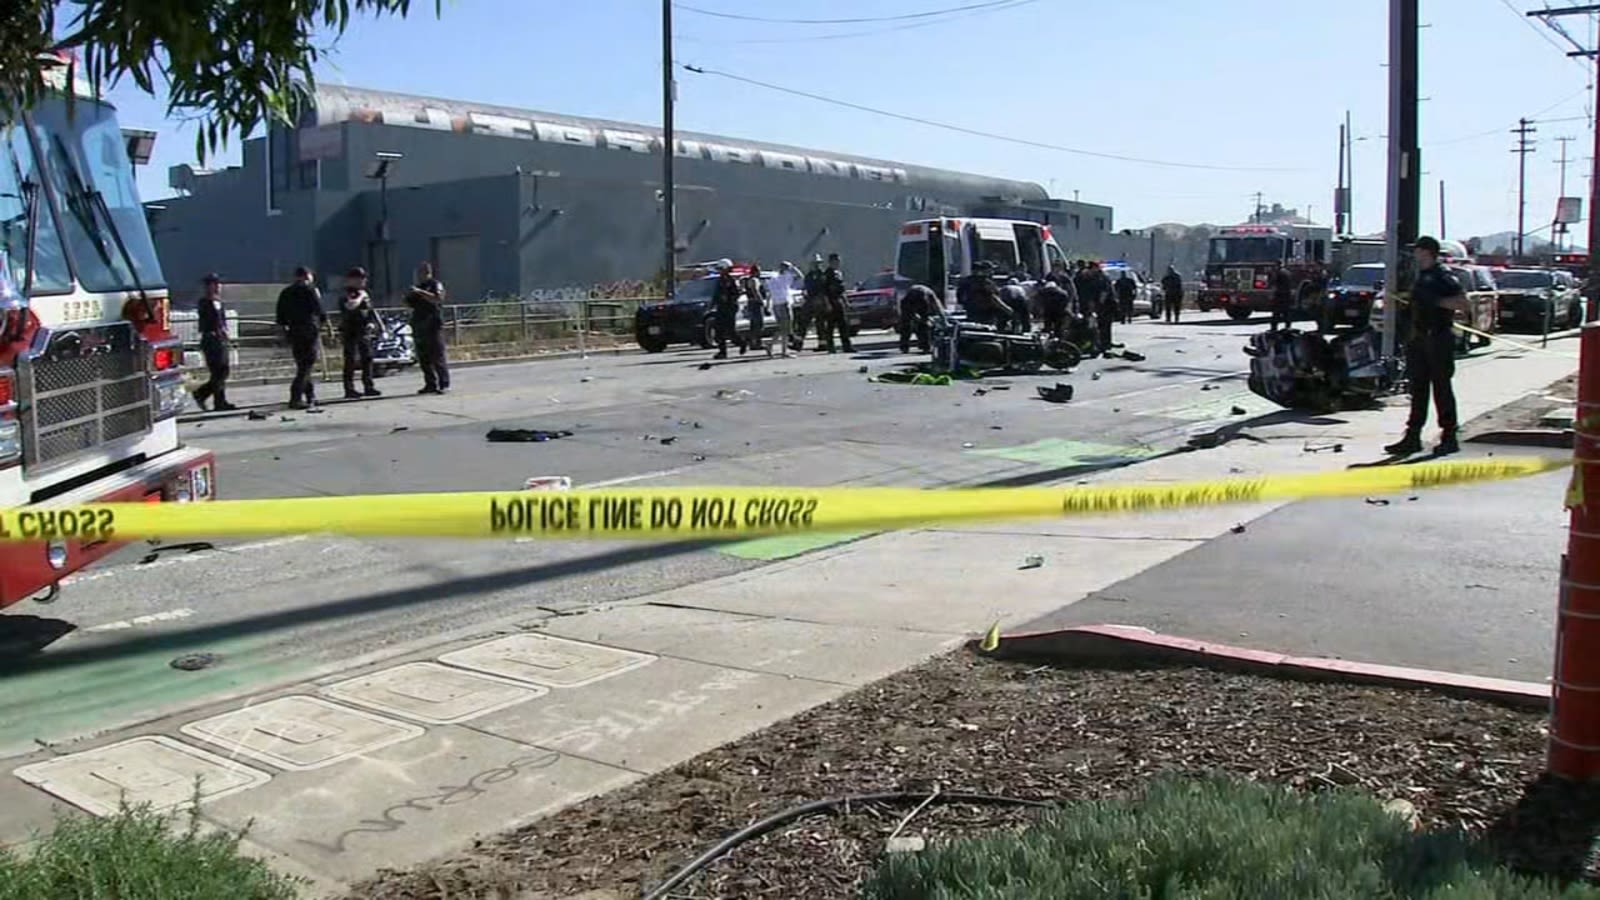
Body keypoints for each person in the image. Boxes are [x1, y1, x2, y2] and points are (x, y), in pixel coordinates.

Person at [1385, 236, 1468, 457]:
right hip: (1419, 338)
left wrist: (1435, 301)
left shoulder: (1443, 276)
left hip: (1439, 338)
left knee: (1441, 388)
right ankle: (1412, 437)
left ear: (1427, 252)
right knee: (1418, 389)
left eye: (1418, 250)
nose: (1415, 255)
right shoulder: (1418, 277)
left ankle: (1449, 435)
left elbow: (1462, 303)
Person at [275, 266, 326, 410]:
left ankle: (310, 396)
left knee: (302, 365)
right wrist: (324, 324)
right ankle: (295, 396)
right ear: (307, 276)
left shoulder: (285, 292)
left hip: (293, 332)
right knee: (307, 366)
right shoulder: (310, 290)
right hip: (309, 330)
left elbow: (280, 316)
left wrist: (283, 332)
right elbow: (319, 310)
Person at [191, 273, 237, 412]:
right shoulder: (205, 302)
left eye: (218, 284)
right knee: (218, 371)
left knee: (223, 370)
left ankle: (217, 399)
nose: (218, 287)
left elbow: (222, 321)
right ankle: (205, 395)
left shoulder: (219, 302)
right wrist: (218, 330)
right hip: (211, 339)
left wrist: (225, 333)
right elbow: (208, 321)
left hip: (220, 339)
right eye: (214, 284)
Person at [338, 266, 381, 400]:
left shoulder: (364, 294)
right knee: (350, 360)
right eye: (359, 279)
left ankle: (369, 386)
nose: (362, 281)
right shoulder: (347, 294)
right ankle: (349, 389)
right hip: (350, 329)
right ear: (351, 280)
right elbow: (350, 306)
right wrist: (361, 296)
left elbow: (370, 310)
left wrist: (375, 323)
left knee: (367, 358)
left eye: (363, 279)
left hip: (363, 330)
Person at [407, 261, 451, 394]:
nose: (421, 275)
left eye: (423, 272)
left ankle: (443, 383)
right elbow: (409, 304)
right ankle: (430, 383)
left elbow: (438, 299)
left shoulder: (435, 284)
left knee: (437, 355)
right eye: (419, 272)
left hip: (433, 325)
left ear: (428, 272)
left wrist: (420, 292)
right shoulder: (418, 287)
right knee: (424, 357)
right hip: (420, 324)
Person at [818, 252, 853, 353]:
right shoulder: (827, 274)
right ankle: (831, 347)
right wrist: (827, 304)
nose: (838, 263)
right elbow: (824, 290)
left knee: (843, 325)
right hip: (831, 301)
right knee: (830, 326)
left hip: (839, 300)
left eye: (838, 261)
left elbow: (842, 289)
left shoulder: (838, 273)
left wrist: (846, 301)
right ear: (831, 262)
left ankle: (847, 346)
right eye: (836, 261)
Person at [898, 282, 944, 352]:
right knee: (911, 325)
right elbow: (937, 306)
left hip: (914, 300)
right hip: (910, 302)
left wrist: (942, 317)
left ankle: (920, 345)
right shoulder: (926, 294)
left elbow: (937, 306)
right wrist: (942, 317)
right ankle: (921, 346)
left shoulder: (929, 293)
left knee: (917, 325)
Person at [711, 260, 742, 360]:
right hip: (721, 308)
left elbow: (737, 293)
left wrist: (729, 299)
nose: (719, 271)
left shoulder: (732, 280)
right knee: (719, 331)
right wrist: (712, 304)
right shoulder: (719, 280)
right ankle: (722, 352)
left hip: (730, 308)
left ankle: (742, 343)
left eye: (721, 269)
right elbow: (716, 294)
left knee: (731, 331)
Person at [770, 261, 802, 358]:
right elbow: (800, 276)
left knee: (782, 328)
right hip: (784, 304)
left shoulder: (773, 277)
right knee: (786, 329)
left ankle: (771, 345)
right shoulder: (787, 276)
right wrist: (794, 268)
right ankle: (782, 351)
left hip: (776, 304)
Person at [796, 255, 827, 351]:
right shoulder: (809, 275)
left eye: (817, 263)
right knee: (803, 322)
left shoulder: (822, 274)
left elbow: (824, 288)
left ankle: (823, 344)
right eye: (814, 263)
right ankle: (798, 344)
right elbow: (806, 286)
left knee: (820, 323)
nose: (815, 265)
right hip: (809, 300)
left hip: (819, 301)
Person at [742, 262, 769, 356]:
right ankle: (757, 343)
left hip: (751, 302)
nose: (760, 273)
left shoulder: (748, 280)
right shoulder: (754, 280)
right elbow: (755, 291)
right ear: (755, 272)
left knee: (753, 324)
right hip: (756, 303)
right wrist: (761, 301)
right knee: (759, 324)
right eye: (759, 271)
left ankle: (752, 342)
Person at [1270, 263, 1295, 331]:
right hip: (1287, 295)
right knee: (1286, 312)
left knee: (1276, 313)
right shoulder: (1288, 272)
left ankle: (1274, 328)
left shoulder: (1278, 273)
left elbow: (1274, 284)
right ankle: (1288, 326)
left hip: (1279, 295)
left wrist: (1272, 295)